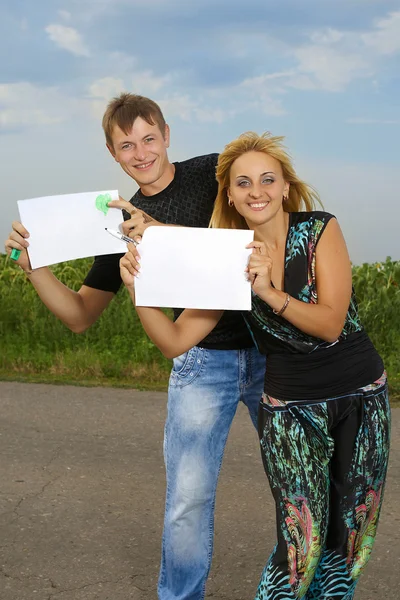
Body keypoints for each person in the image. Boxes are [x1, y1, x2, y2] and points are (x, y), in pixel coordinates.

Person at [4, 94, 266, 600]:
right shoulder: (115, 224)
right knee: (187, 501)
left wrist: (159, 234)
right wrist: (35, 267)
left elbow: (248, 233)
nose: (141, 152)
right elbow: (81, 315)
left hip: (271, 350)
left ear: (167, 134)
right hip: (200, 359)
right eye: (127, 145)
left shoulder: (216, 173)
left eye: (149, 138)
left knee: (299, 483)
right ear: (112, 153)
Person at [121, 131, 391, 600]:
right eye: (243, 183)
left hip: (362, 397)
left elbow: (329, 324)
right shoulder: (226, 261)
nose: (257, 191)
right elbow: (175, 341)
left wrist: (271, 292)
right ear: (230, 194)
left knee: (349, 541)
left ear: (286, 186)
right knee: (300, 543)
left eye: (268, 179)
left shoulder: (319, 230)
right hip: (292, 409)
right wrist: (138, 293)